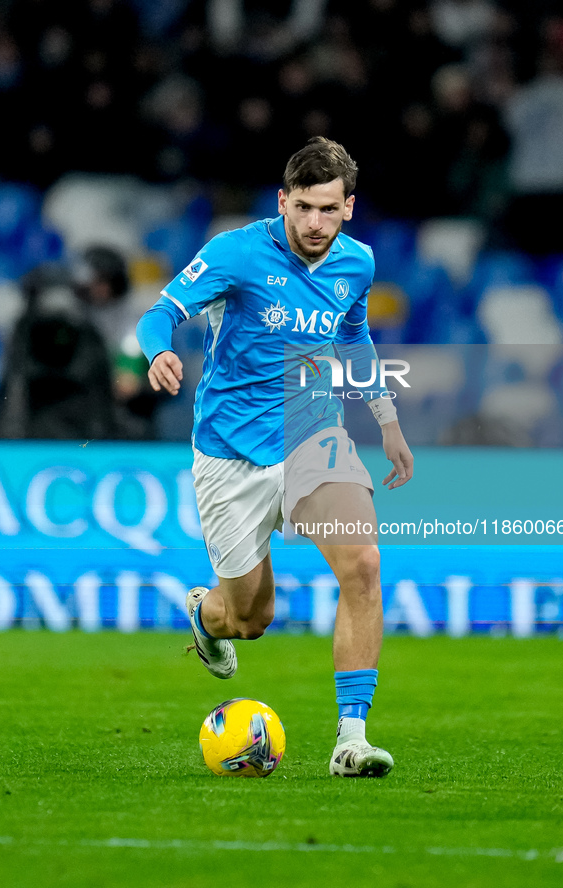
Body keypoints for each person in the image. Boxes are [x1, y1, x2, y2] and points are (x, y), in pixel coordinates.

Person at [136, 137, 414, 777]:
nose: (315, 224)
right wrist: (158, 351)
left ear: (348, 206)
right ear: (283, 200)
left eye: (329, 209)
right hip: (230, 452)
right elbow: (161, 311)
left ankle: (352, 739)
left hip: (313, 434)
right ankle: (207, 615)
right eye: (303, 209)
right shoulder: (235, 252)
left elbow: (355, 338)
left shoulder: (358, 264)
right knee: (249, 617)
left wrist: (387, 421)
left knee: (363, 564)